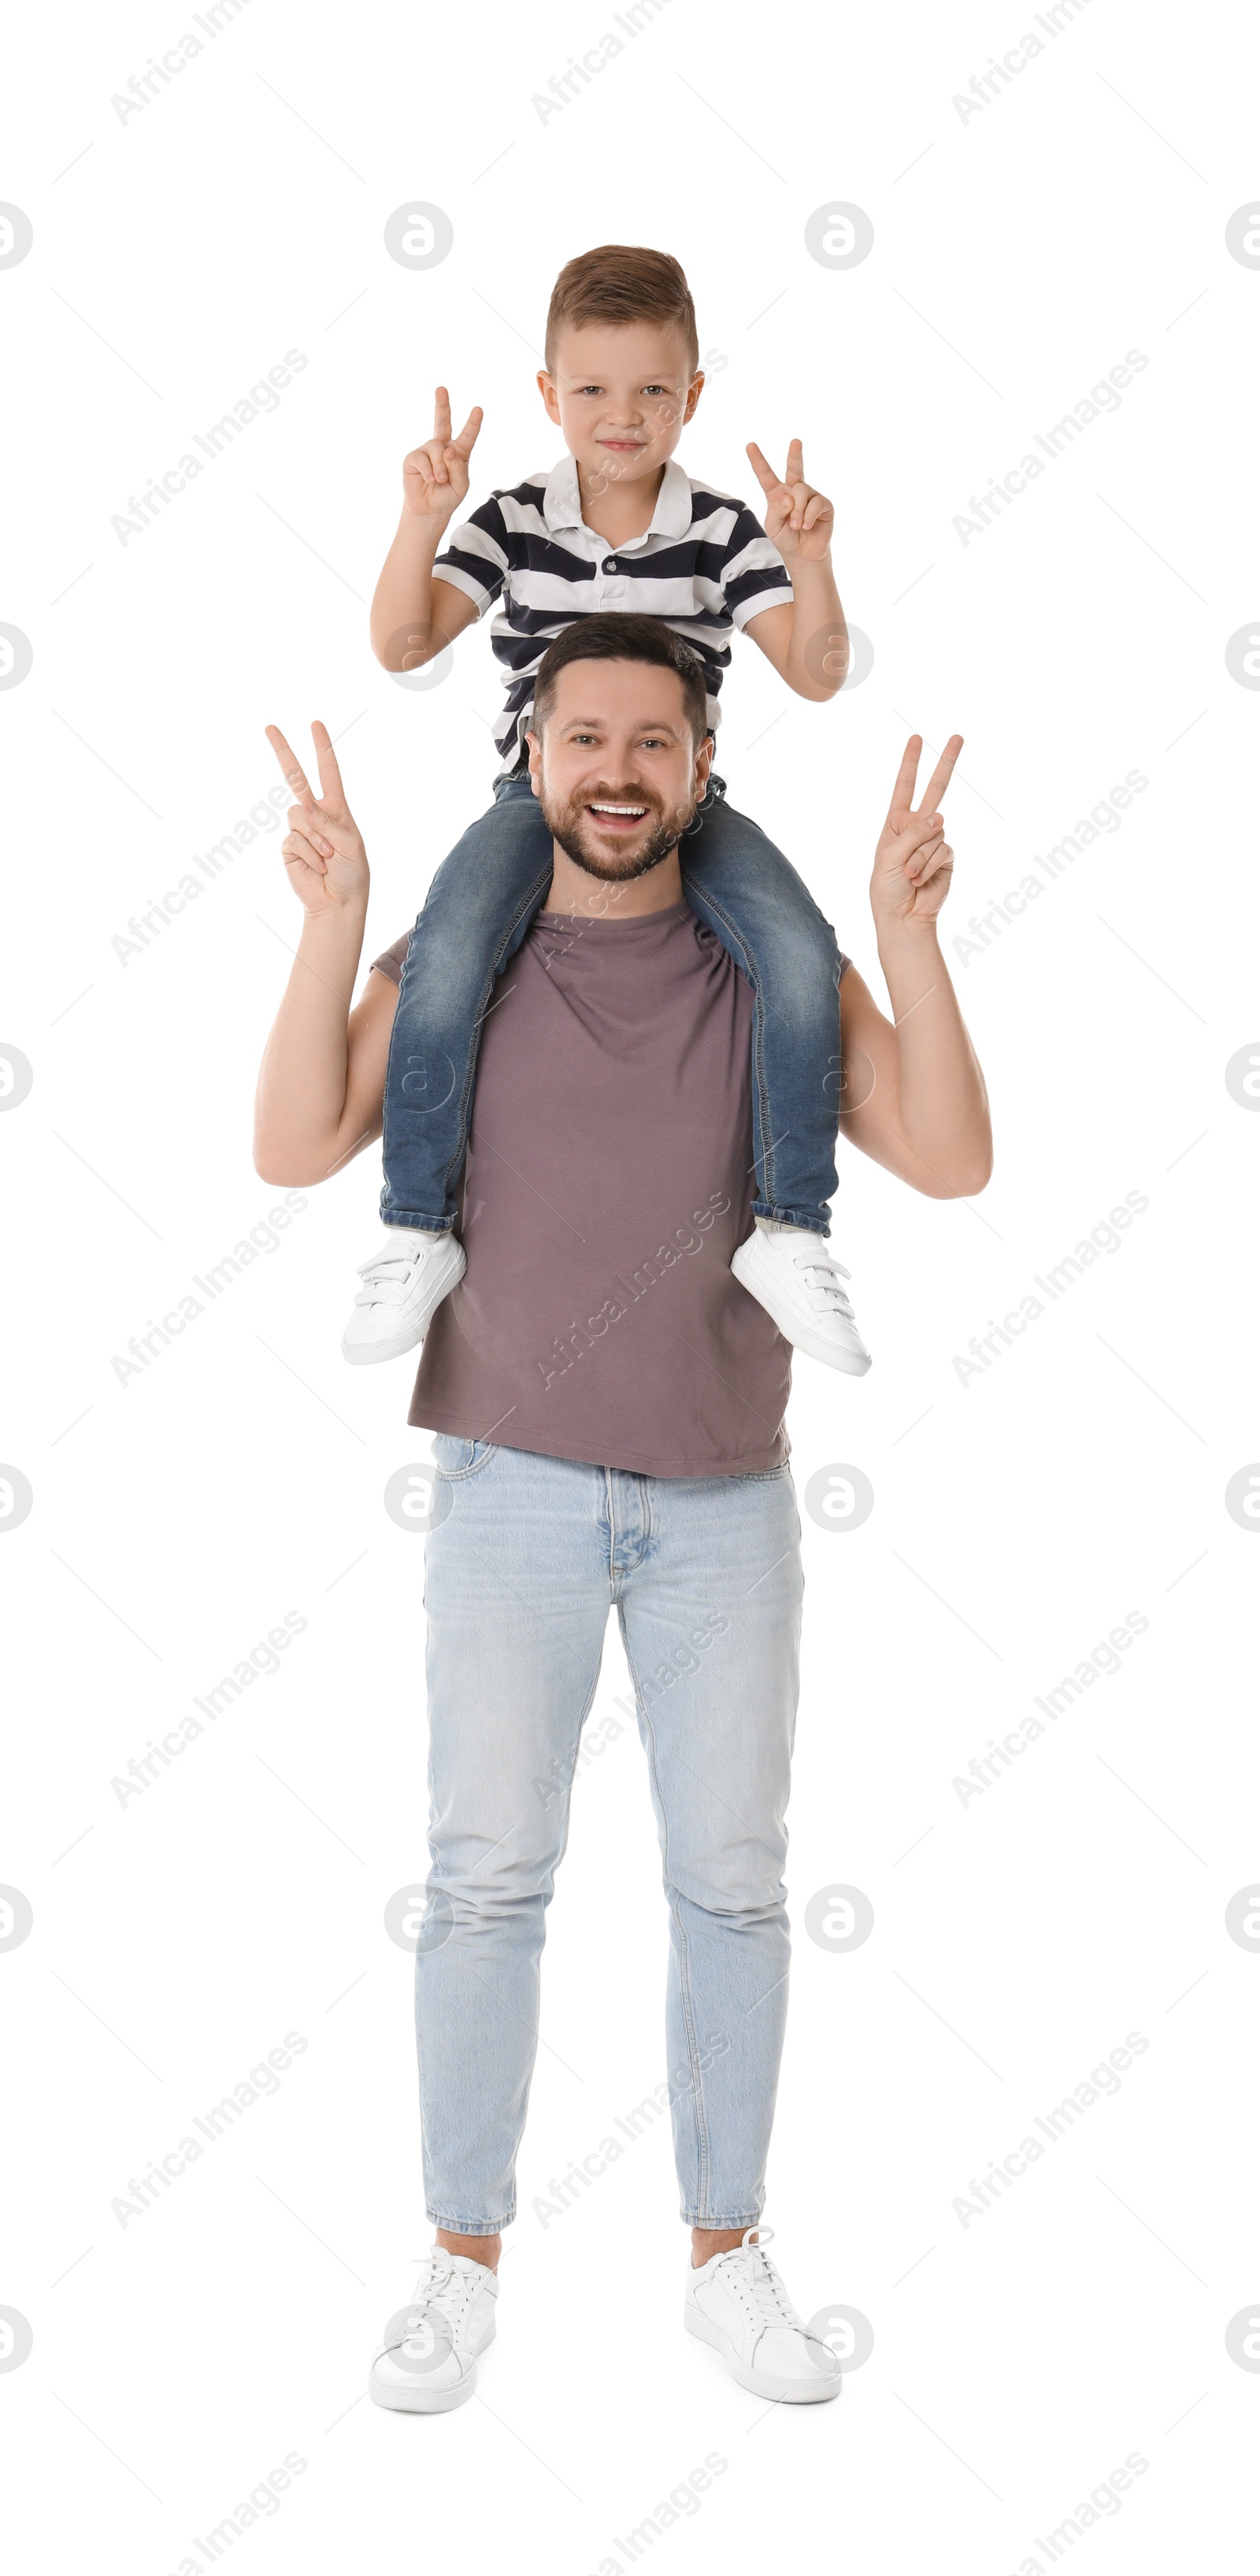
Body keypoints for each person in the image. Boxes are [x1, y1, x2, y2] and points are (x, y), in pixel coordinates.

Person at [254, 617, 991, 2415]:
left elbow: (953, 1156)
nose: (611, 771)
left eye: (648, 743)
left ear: (702, 765)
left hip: (724, 1508)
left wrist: (905, 936)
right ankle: (459, 2264)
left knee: (730, 1891)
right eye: (580, 737)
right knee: (482, 1886)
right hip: (506, 1485)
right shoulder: (466, 956)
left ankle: (725, 2261)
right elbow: (291, 1145)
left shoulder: (773, 969)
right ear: (530, 760)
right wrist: (331, 917)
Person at [349, 241, 872, 1375]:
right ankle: (416, 1224)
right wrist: (419, 516)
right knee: (444, 955)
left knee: (796, 953)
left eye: (651, 390)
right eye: (591, 388)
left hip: (685, 805)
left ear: (693, 394)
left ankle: (790, 1228)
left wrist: (811, 561)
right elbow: (404, 642)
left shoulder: (724, 531)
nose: (620, 415)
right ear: (551, 395)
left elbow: (819, 670)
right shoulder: (517, 519)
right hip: (538, 799)